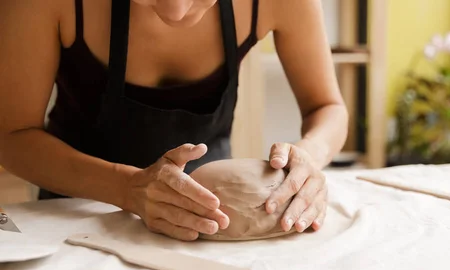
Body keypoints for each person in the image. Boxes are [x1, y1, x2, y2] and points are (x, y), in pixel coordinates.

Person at [0, 0, 348, 241]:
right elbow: (11, 136)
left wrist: (309, 158)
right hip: (77, 225)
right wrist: (125, 187)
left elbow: (327, 107)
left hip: (208, 228)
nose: (175, 11)